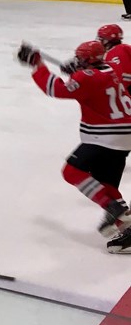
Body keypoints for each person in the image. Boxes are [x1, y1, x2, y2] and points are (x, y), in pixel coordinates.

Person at [17, 41, 131, 254]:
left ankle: (113, 208)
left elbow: (54, 88)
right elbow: (92, 82)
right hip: (124, 135)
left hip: (105, 136)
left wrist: (37, 64)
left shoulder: (87, 77)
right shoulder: (110, 70)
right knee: (105, 183)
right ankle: (127, 228)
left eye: (80, 58)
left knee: (71, 171)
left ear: (88, 60)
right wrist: (78, 71)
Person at [97, 25, 131, 93]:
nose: (100, 42)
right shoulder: (126, 47)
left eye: (102, 39)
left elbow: (123, 78)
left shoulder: (113, 53)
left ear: (108, 40)